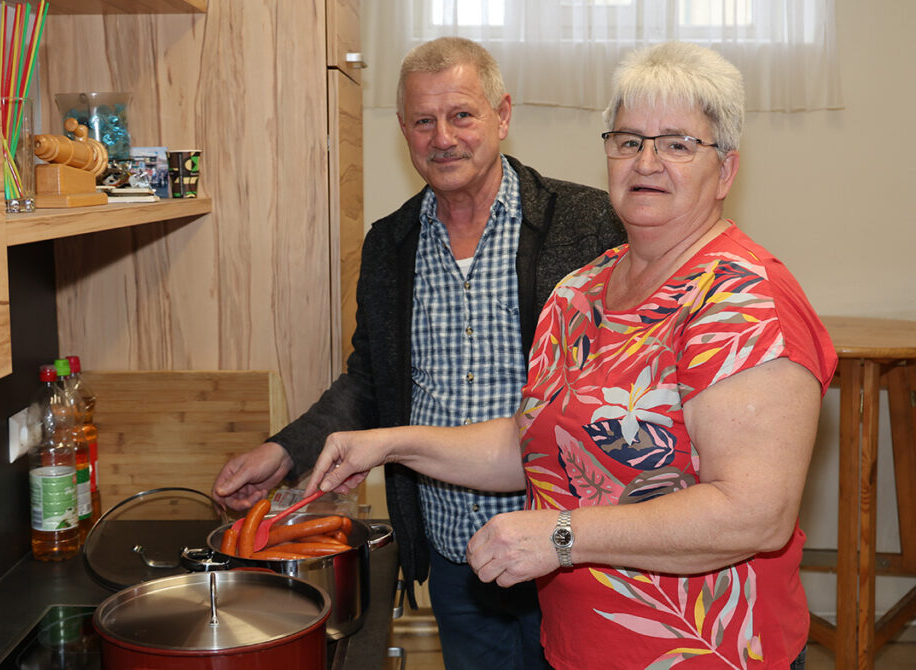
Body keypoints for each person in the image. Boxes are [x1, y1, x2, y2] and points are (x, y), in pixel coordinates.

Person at [305, 41, 837, 670]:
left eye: (677, 144)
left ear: (725, 170)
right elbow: (533, 445)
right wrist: (389, 444)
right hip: (578, 649)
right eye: (629, 140)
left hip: (709, 652)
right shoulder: (581, 290)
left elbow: (753, 514)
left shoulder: (745, 300)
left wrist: (562, 536)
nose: (647, 161)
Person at [212, 37, 625, 669]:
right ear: (404, 130)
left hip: (570, 551)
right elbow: (370, 382)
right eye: (424, 121)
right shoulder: (390, 244)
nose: (443, 138)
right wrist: (286, 450)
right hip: (457, 556)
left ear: (502, 115)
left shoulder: (588, 223)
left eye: (461, 115)